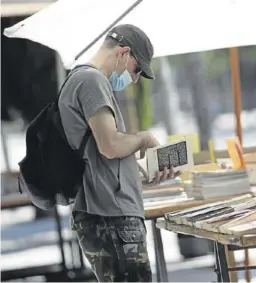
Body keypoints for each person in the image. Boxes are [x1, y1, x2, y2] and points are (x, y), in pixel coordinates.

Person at [58, 24, 177, 282]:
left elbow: (100, 155)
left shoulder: (82, 79)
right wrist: (144, 138)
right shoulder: (91, 80)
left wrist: (143, 172)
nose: (134, 79)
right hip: (111, 218)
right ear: (124, 53)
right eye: (137, 70)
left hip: (106, 214)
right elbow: (110, 145)